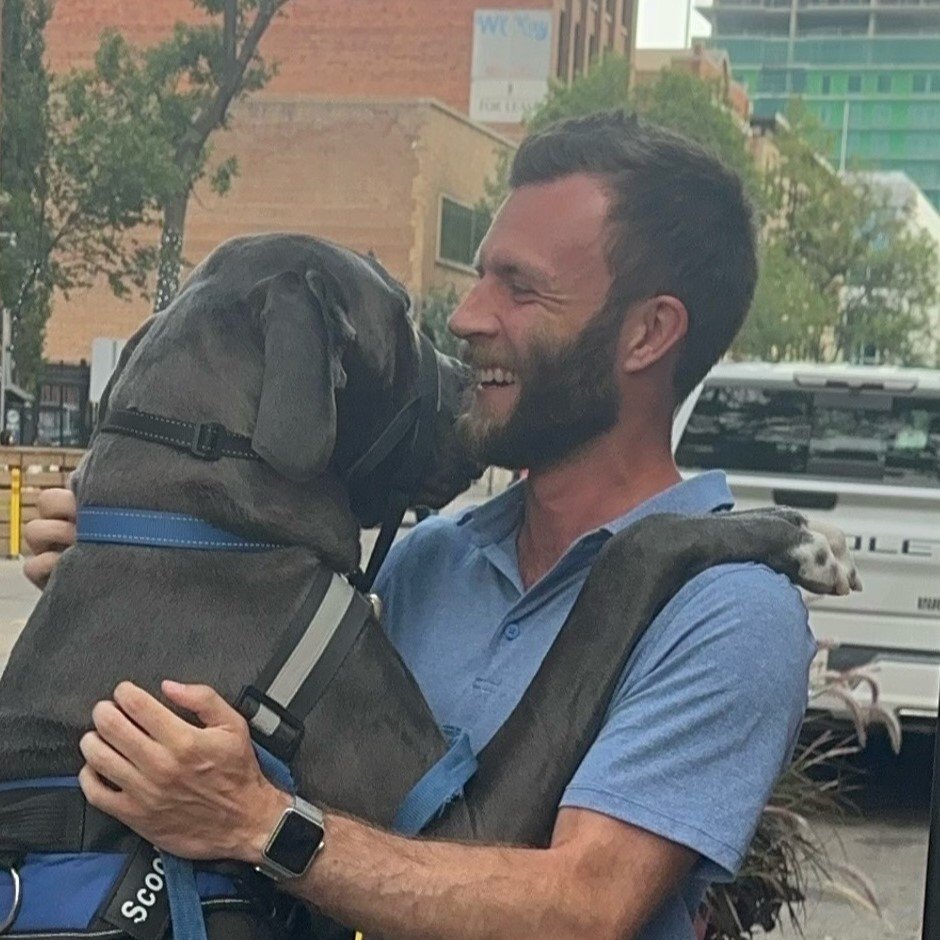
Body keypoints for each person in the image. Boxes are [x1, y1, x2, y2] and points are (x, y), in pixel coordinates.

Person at [25, 112, 815, 940]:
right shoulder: (433, 559)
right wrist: (131, 572)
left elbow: (586, 907)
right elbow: (286, 724)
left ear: (648, 333)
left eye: (521, 287)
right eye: (479, 279)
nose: (469, 316)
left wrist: (263, 826)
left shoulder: (727, 610)